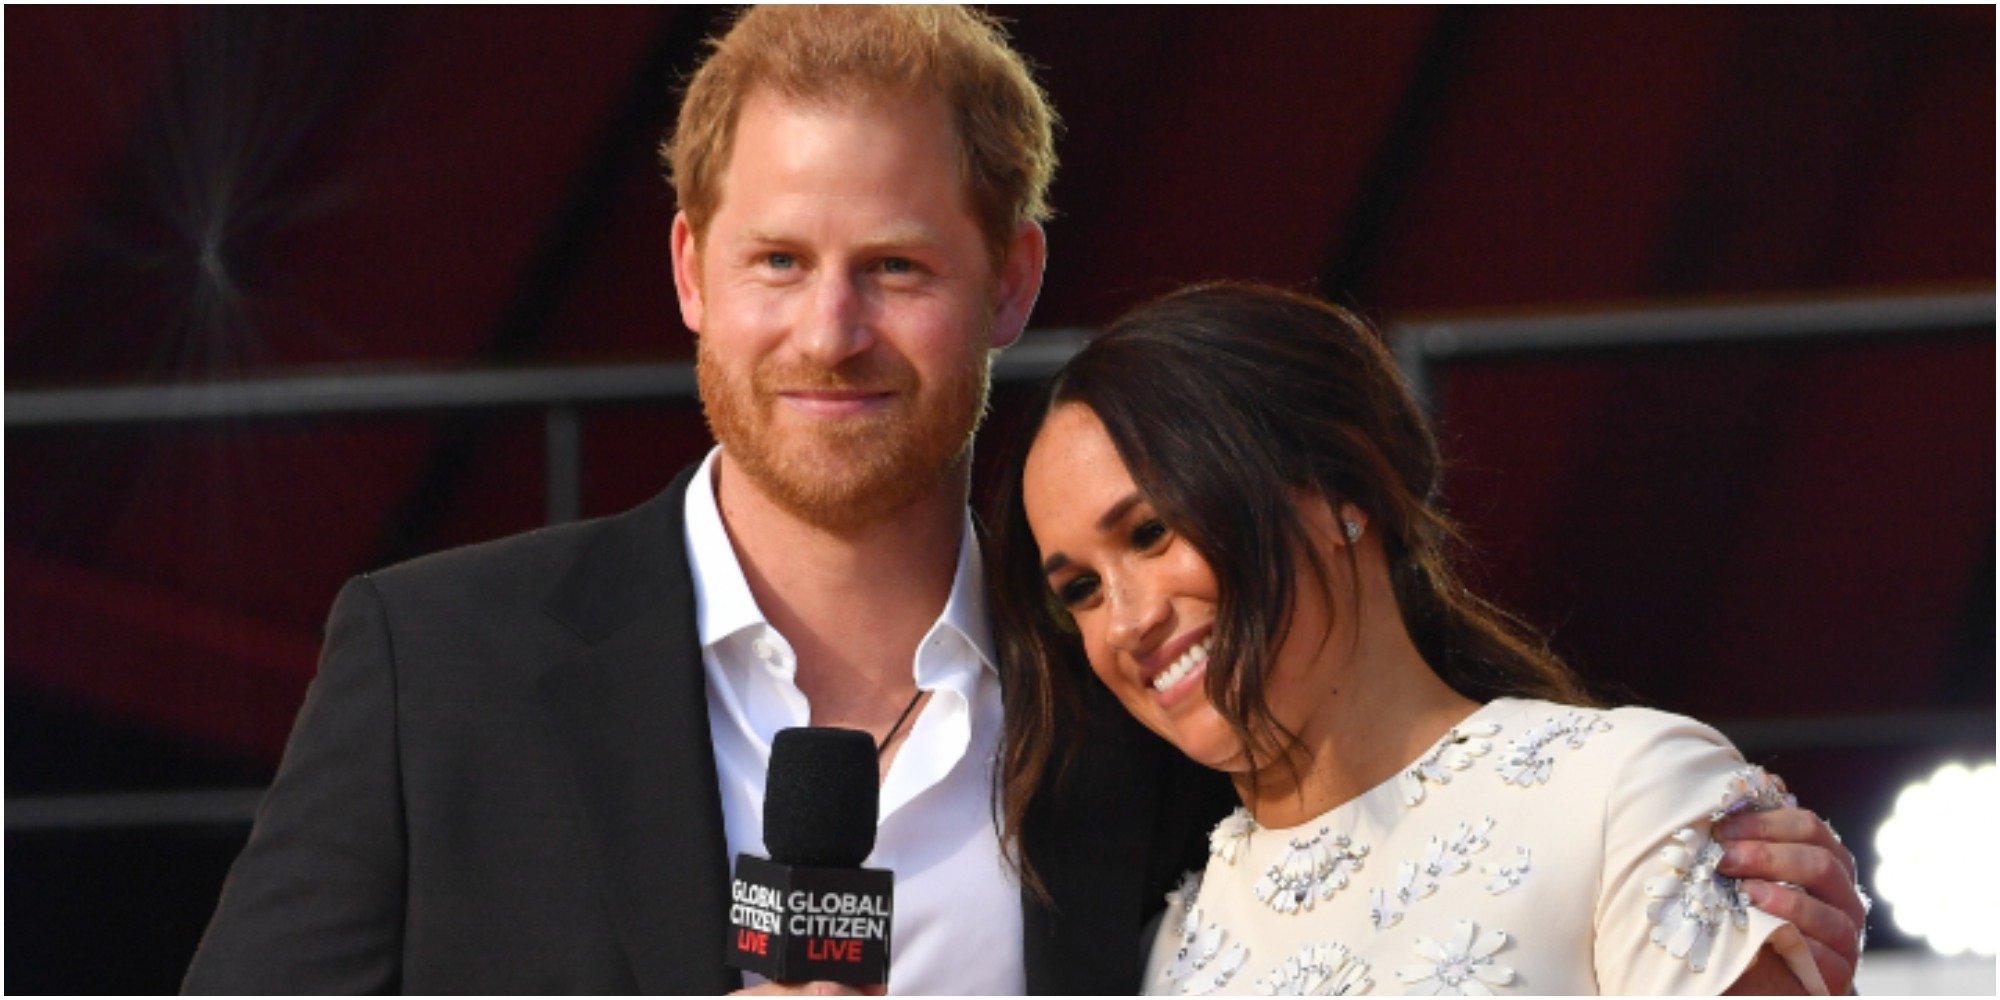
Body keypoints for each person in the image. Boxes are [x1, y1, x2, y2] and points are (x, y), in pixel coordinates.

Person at [185, 7, 1865, 994]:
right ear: (695, 271)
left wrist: (1721, 899)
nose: (829, 332)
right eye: (781, 260)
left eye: (897, 267)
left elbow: (1419, 826)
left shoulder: (1149, 687)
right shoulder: (437, 660)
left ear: (1009, 283)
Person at [990, 282, 1862, 994]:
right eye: (1080, 590)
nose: (1127, 619)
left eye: (1150, 534)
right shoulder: (1164, 953)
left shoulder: (1627, 799)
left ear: (1337, 490)